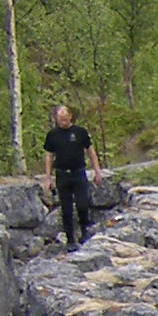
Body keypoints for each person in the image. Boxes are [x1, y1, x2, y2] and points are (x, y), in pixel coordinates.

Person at [41, 104, 100, 249]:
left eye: (65, 118)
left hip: (78, 173)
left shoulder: (80, 132)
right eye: (60, 119)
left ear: (70, 117)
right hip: (62, 174)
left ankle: (85, 231)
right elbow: (49, 156)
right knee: (66, 208)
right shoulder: (53, 135)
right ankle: (70, 239)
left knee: (82, 204)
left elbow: (90, 151)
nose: (63, 121)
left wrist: (97, 170)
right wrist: (48, 178)